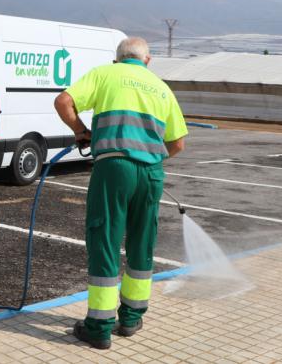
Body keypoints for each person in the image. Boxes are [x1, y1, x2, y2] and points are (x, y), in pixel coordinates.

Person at [54, 37, 187, 349]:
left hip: (114, 168)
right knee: (142, 243)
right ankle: (130, 319)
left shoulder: (105, 74)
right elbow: (178, 143)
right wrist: (149, 156)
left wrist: (80, 131)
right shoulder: (161, 87)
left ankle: (99, 328)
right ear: (147, 61)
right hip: (151, 173)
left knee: (105, 240)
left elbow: (63, 102)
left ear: (117, 60)